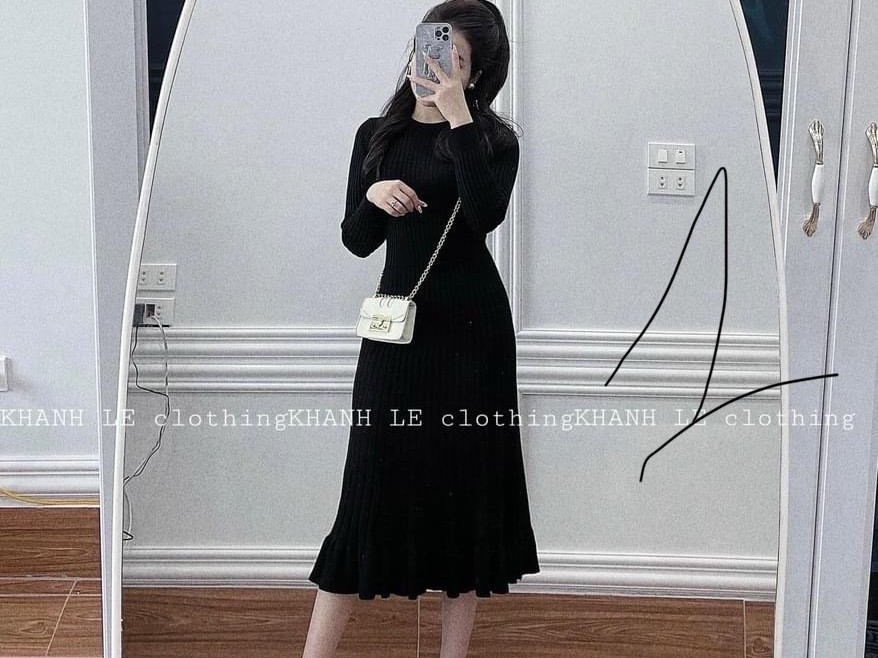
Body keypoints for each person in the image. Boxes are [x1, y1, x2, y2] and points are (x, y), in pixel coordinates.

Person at [302, 2, 539, 656]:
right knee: (365, 495)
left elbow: (485, 214)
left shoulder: (494, 141)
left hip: (473, 337)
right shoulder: (376, 135)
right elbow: (357, 241)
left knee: (469, 497)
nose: (431, 68)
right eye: (427, 50)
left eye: (452, 61)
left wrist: (460, 118)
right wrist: (373, 195)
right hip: (396, 334)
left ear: (476, 73)